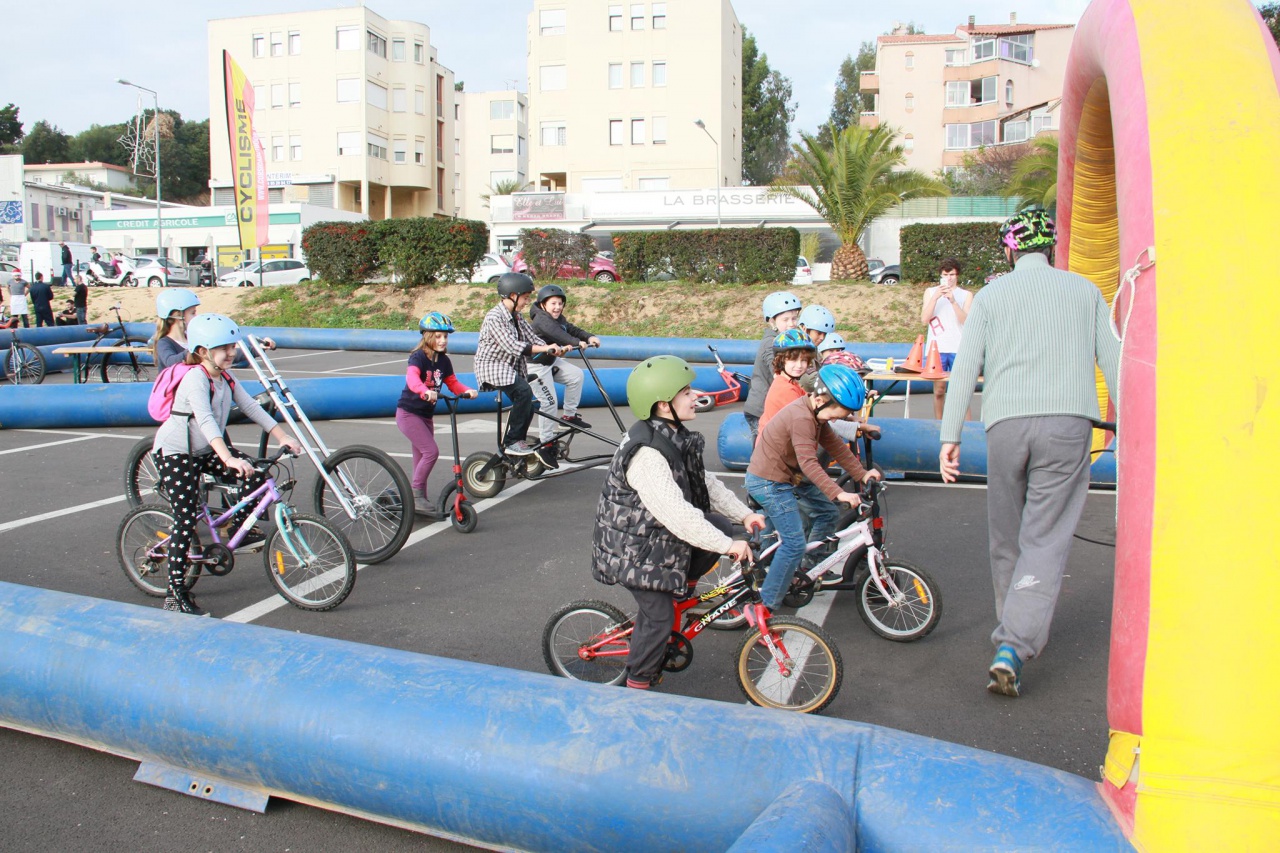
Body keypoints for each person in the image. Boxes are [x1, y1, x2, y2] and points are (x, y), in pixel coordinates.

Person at [939, 209, 1120, 698]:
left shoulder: (991, 296)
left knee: (1007, 535)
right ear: (1052, 247)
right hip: (1067, 425)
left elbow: (965, 368)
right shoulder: (1085, 291)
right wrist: (1129, 429)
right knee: (1045, 537)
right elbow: (1115, 361)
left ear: (1010, 249)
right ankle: (1014, 644)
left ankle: (1013, 624)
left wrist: (949, 435)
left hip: (1005, 425)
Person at [592, 355, 765, 690]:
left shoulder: (673, 433)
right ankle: (638, 683)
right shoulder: (647, 455)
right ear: (662, 404)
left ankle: (679, 591)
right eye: (686, 392)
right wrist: (728, 546)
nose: (695, 396)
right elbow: (677, 516)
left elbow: (706, 484)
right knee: (658, 618)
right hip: (632, 549)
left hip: (651, 535)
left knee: (720, 524)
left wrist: (743, 514)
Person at [151, 314, 301, 616]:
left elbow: (250, 407)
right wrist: (228, 458)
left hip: (204, 450)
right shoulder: (195, 378)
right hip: (176, 452)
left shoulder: (226, 377)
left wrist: (283, 436)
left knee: (256, 475)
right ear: (203, 351)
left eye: (233, 346)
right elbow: (206, 420)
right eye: (224, 348)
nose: (231, 352)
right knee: (184, 520)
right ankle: (174, 594)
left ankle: (236, 529)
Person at [746, 364, 879, 611]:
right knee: (793, 543)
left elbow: (836, 446)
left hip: (787, 478)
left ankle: (807, 570)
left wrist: (862, 473)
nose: (837, 419)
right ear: (819, 400)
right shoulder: (802, 418)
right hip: (768, 482)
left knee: (828, 513)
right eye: (836, 414)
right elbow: (808, 462)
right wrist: (839, 492)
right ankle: (766, 606)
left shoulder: (816, 415)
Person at [474, 272, 569, 457]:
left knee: (528, 402)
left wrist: (553, 348)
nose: (527, 302)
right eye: (525, 298)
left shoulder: (516, 316)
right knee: (523, 391)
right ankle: (512, 441)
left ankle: (519, 440)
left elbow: (531, 337)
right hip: (492, 366)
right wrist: (544, 349)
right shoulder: (495, 317)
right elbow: (511, 345)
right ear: (513, 295)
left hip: (509, 367)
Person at [397, 311, 478, 517]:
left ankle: (418, 499)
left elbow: (452, 383)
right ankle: (415, 495)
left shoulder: (443, 361)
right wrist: (424, 391)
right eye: (438, 336)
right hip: (408, 413)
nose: (443, 340)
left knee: (420, 457)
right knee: (431, 452)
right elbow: (412, 379)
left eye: (445, 336)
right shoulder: (418, 357)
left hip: (425, 416)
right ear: (427, 336)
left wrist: (467, 391)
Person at [527, 284, 601, 470]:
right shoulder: (541, 319)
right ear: (543, 304)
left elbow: (570, 329)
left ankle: (569, 416)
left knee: (576, 375)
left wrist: (589, 337)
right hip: (535, 366)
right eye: (553, 303)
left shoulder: (558, 318)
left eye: (560, 303)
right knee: (549, 402)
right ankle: (545, 444)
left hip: (550, 361)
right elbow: (558, 334)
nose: (557, 307)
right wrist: (576, 343)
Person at [742, 291, 803, 440]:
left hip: (776, 405)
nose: (791, 323)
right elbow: (777, 370)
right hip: (760, 409)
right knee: (763, 446)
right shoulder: (771, 342)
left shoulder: (788, 340)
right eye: (785, 319)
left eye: (794, 318)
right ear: (772, 322)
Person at [921, 258, 973, 419]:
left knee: (961, 391)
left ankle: (968, 425)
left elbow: (966, 321)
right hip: (937, 348)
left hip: (958, 347)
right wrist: (935, 298)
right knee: (939, 390)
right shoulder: (930, 292)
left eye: (952, 275)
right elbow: (924, 319)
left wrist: (953, 301)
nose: (949, 278)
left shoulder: (966, 295)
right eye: (945, 275)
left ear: (957, 275)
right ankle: (939, 423)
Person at [758, 329, 816, 435]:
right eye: (793, 360)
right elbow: (806, 420)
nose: (799, 365)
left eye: (803, 360)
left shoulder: (790, 382)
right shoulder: (784, 389)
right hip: (777, 444)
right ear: (781, 360)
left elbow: (812, 402)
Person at [154, 289, 204, 370]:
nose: (196, 316)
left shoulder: (191, 338)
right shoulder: (164, 342)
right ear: (178, 315)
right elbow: (169, 361)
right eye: (193, 313)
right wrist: (193, 351)